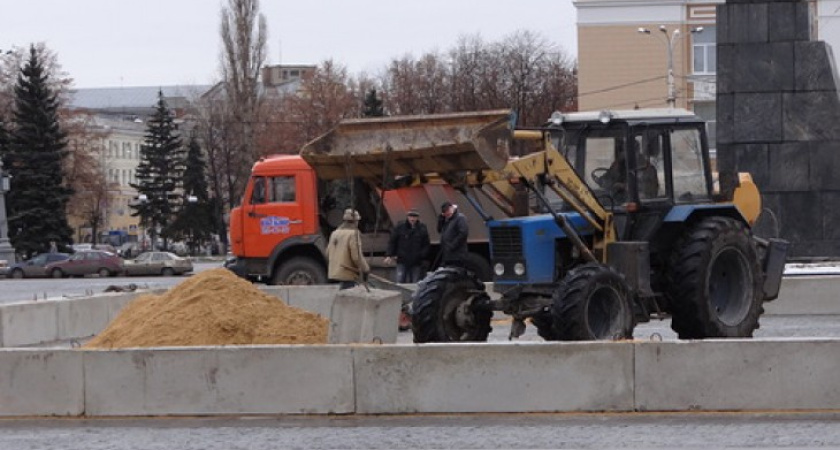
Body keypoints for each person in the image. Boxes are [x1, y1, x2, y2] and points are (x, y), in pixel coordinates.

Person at [326, 208, 370, 289]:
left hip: (335, 272)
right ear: (356, 221)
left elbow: (328, 253)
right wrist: (365, 269)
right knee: (348, 297)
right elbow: (356, 256)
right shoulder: (353, 234)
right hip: (347, 274)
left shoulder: (334, 233)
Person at [385, 209, 430, 283]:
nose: (412, 219)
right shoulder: (400, 227)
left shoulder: (422, 228)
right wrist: (389, 255)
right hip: (402, 260)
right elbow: (393, 241)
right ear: (407, 217)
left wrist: (421, 255)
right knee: (400, 281)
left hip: (416, 261)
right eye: (411, 216)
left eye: (414, 217)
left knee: (415, 283)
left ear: (417, 218)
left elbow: (426, 244)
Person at [437, 201, 469, 268]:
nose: (447, 213)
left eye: (448, 211)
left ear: (452, 208)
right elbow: (439, 230)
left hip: (457, 255)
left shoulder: (460, 218)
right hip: (448, 254)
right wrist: (441, 220)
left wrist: (452, 245)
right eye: (445, 212)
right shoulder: (447, 220)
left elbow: (463, 233)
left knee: (456, 273)